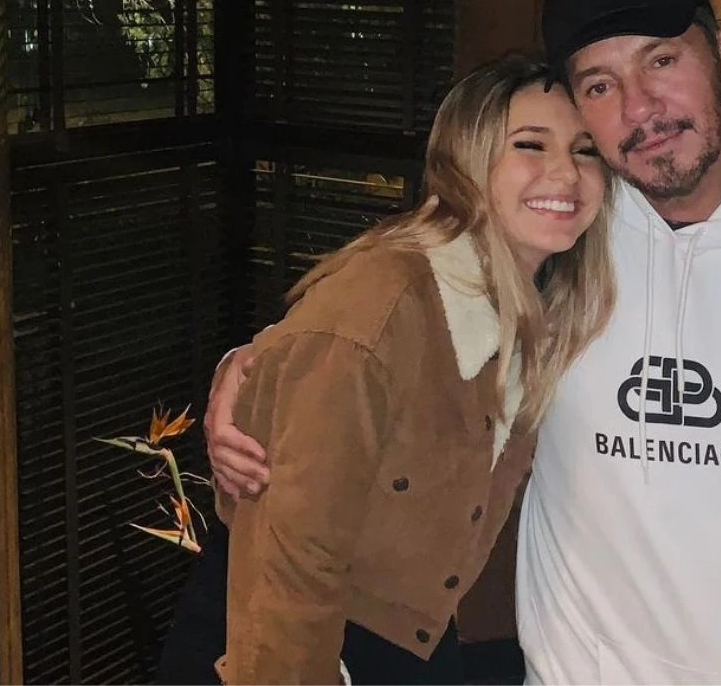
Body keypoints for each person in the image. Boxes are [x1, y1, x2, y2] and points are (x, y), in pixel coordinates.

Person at [207, 0, 721, 684]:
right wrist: (254, 365)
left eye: (661, 60)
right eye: (600, 84)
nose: (640, 107)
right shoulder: (568, 234)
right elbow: (391, 311)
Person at [159, 50, 616, 685]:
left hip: (417, 635)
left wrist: (250, 358)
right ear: (467, 160)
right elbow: (293, 556)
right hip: (290, 635)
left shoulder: (550, 305)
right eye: (530, 145)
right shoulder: (383, 303)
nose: (565, 173)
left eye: (586, 150)